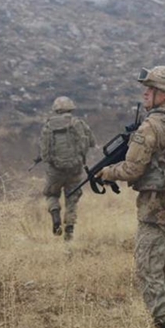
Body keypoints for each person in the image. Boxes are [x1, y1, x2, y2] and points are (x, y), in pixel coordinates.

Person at [96, 66, 165, 328]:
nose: (145, 93)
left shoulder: (152, 126)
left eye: (150, 88)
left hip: (156, 213)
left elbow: (131, 170)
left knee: (149, 274)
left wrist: (106, 172)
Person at [39, 96, 95, 241]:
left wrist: (52, 162)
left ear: (56, 109)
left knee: (51, 194)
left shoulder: (48, 126)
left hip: (55, 171)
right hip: (75, 169)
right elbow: (91, 142)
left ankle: (55, 213)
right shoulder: (79, 123)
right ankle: (69, 232)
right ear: (71, 108)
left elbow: (45, 152)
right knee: (72, 199)